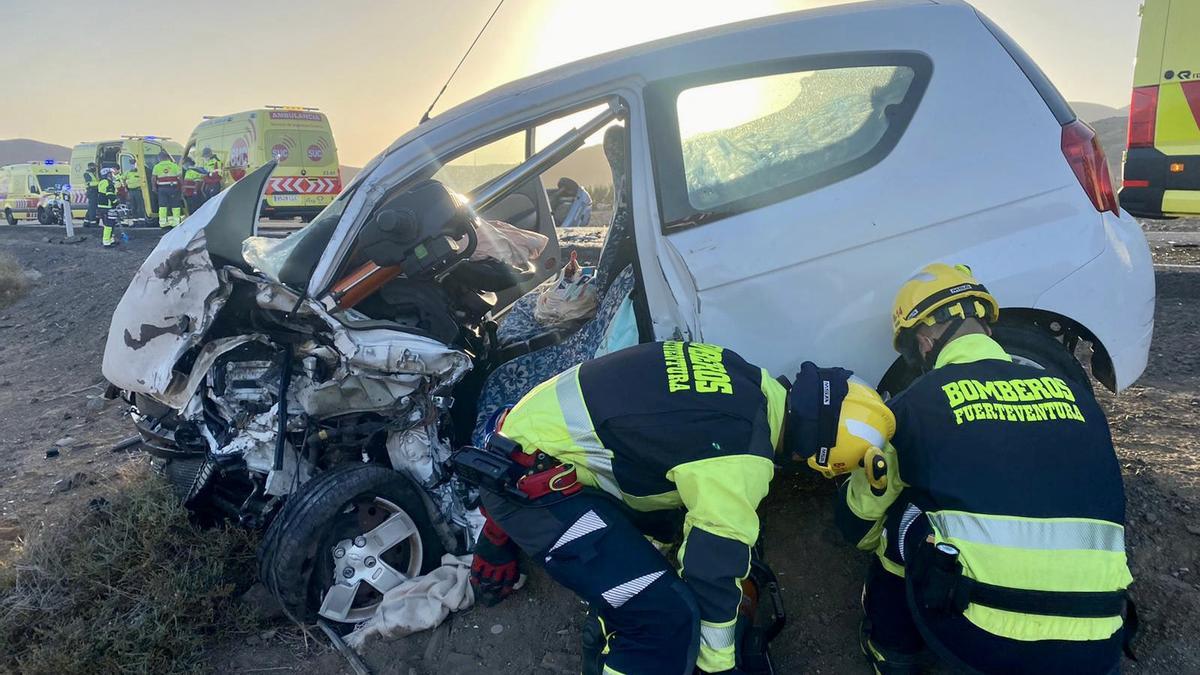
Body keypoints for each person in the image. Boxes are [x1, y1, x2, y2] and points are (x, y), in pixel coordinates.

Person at [467, 341, 895, 675]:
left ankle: (608, 609)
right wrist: (719, 665)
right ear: (814, 456)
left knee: (680, 529)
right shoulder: (740, 459)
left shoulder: (746, 375)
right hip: (533, 490)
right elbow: (712, 571)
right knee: (666, 621)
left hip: (526, 442)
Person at [835, 263, 1134, 675]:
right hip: (1099, 640)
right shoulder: (1076, 397)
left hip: (987, 640)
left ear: (924, 341)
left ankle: (893, 651)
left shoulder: (917, 403)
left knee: (899, 522)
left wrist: (853, 517)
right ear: (987, 328)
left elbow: (863, 514)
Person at [152, 151, 182, 228]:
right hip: (173, 188)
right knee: (175, 205)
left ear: (159, 158)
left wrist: (154, 187)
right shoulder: (174, 165)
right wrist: (181, 186)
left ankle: (163, 223)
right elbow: (180, 177)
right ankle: (176, 222)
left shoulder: (157, 167)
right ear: (168, 157)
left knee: (162, 206)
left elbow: (153, 178)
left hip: (162, 189)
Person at [97, 168, 118, 247]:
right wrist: (115, 202)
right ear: (107, 174)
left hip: (102, 206)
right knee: (109, 225)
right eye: (110, 174)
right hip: (108, 206)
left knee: (110, 224)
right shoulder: (108, 183)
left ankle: (111, 240)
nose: (111, 175)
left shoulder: (101, 182)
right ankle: (106, 242)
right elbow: (110, 194)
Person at [83, 162, 100, 227]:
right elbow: (89, 183)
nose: (95, 168)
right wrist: (99, 184)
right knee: (93, 208)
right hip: (91, 191)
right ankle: (93, 223)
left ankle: (86, 222)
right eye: (94, 167)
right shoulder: (87, 174)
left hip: (94, 191)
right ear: (90, 167)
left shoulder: (93, 174)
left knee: (91, 207)